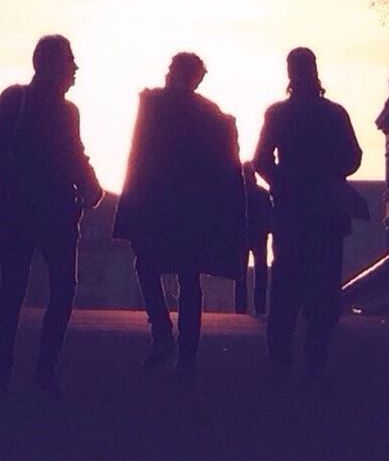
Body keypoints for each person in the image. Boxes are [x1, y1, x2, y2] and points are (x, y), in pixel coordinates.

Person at [0, 35, 103, 395]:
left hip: (26, 212)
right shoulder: (30, 103)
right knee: (60, 289)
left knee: (15, 289)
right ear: (49, 64)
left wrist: (89, 185)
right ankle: (42, 372)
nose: (75, 68)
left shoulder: (23, 102)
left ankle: (4, 373)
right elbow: (73, 157)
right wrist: (89, 188)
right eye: (69, 60)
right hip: (52, 211)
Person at [113, 52, 245, 373]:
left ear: (175, 73)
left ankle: (161, 332)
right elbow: (228, 170)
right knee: (189, 277)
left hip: (156, 203)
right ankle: (187, 355)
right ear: (197, 78)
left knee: (147, 264)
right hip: (195, 209)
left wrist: (130, 207)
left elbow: (138, 158)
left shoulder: (154, 105)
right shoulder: (213, 116)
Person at [254, 47, 363, 378]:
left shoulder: (278, 114)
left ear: (289, 73)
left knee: (285, 281)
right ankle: (316, 354)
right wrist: (330, 176)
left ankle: (280, 353)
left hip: (290, 209)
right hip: (328, 210)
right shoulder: (335, 113)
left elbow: (260, 160)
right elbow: (353, 157)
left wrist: (281, 182)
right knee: (325, 284)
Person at [235, 161, 271, 316]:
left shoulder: (238, 195)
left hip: (243, 237)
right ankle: (259, 308)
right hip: (259, 237)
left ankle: (241, 309)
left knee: (241, 276)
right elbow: (270, 216)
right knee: (260, 274)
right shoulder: (262, 193)